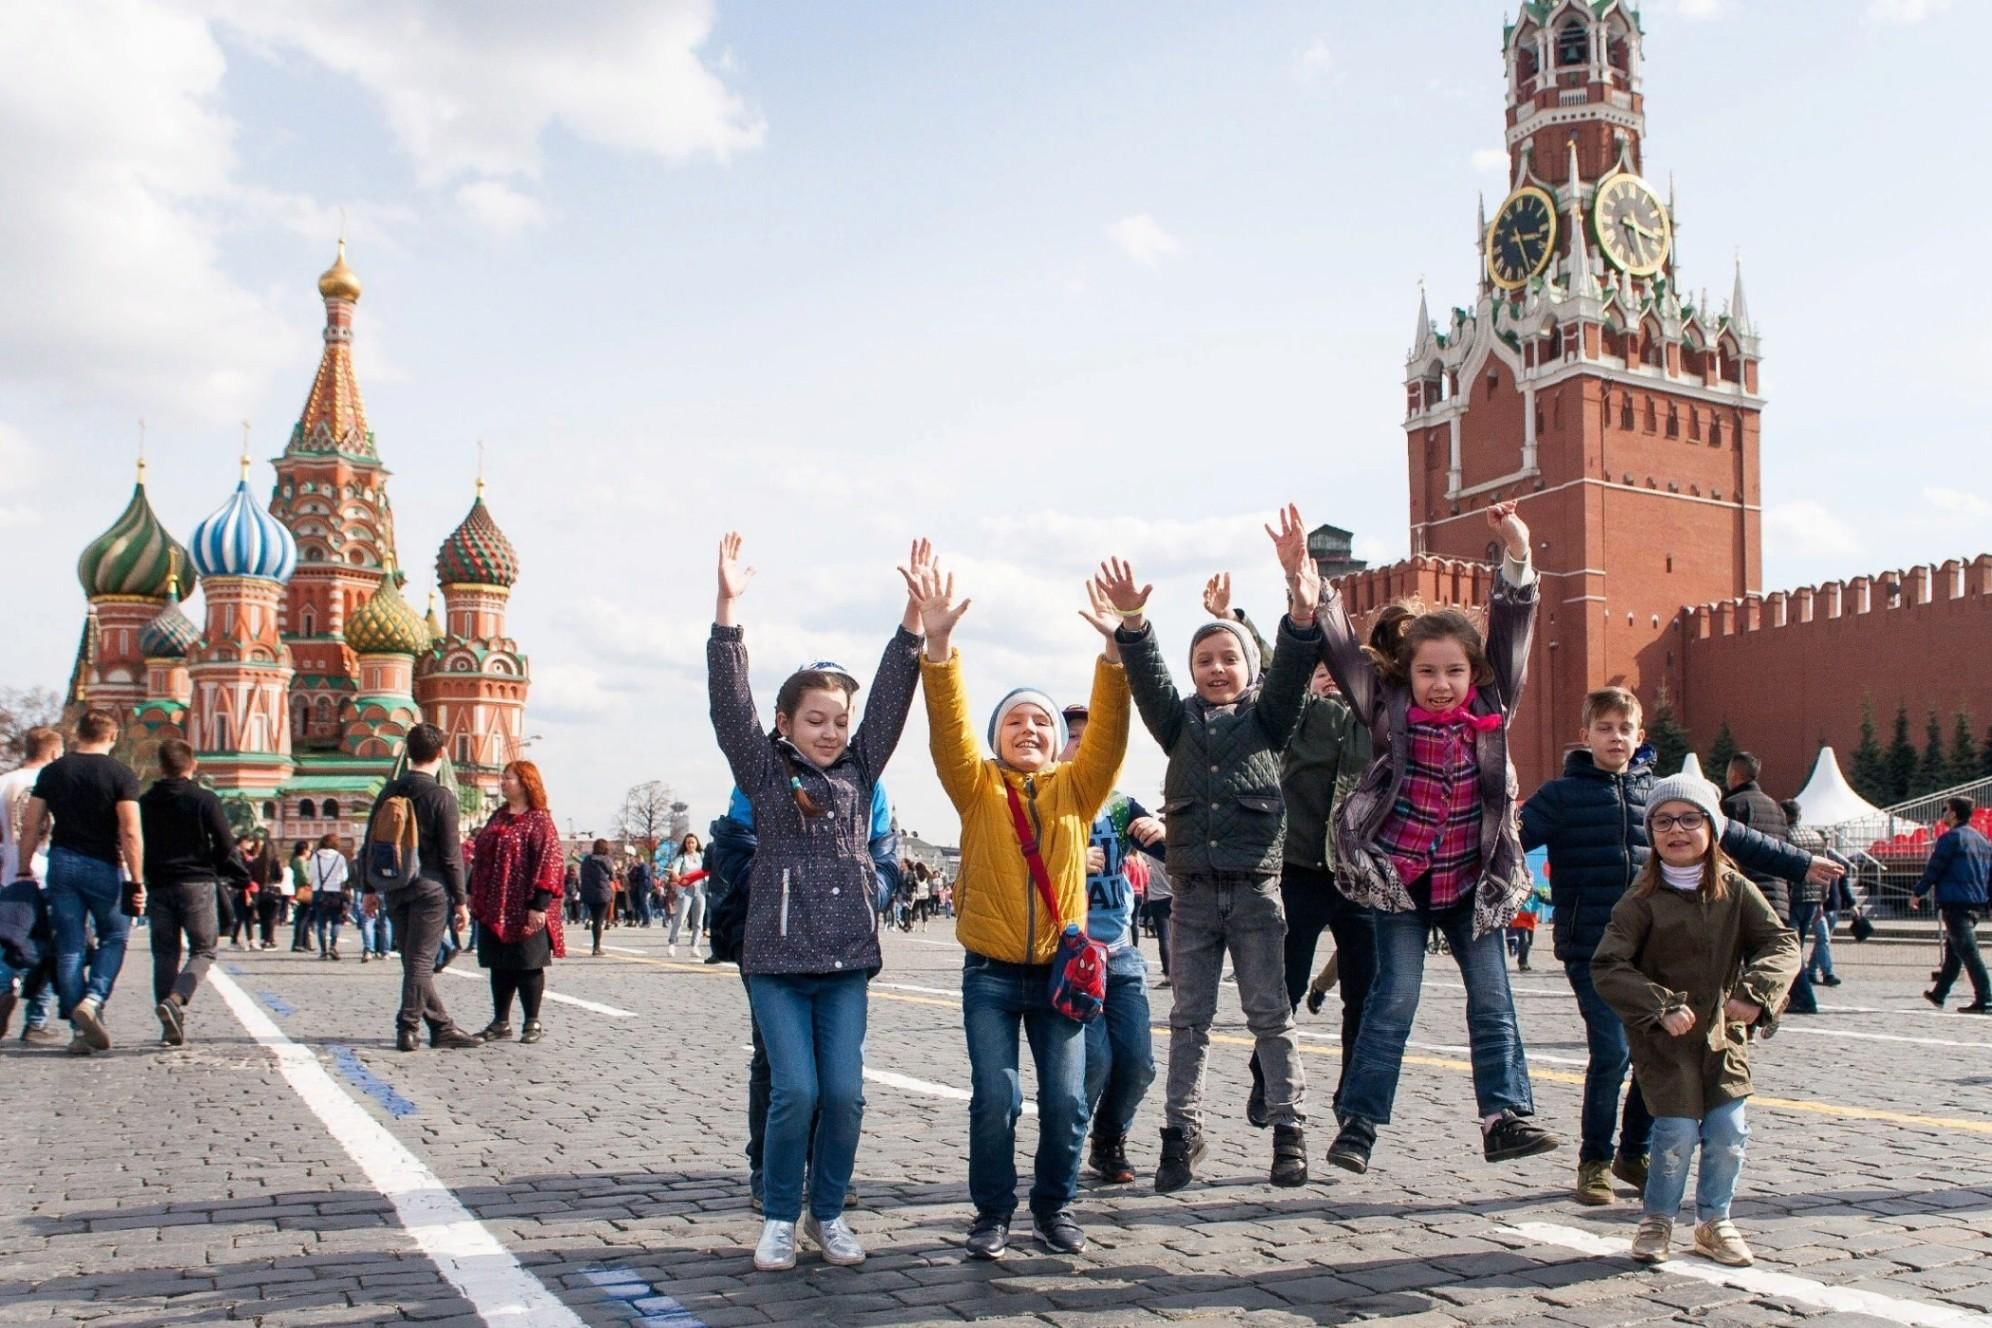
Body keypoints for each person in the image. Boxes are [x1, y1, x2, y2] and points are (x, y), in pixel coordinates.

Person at [1520, 687, 1840, 1206]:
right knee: (1612, 1054)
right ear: (1585, 736)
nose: (1615, 737)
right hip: (1594, 948)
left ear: (1639, 736)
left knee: (1662, 1053)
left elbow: (1733, 833)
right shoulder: (1560, 797)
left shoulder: (1661, 795)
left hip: (1662, 949)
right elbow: (1508, 841)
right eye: (1604, 728)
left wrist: (1801, 863)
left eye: (1625, 729)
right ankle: (1594, 1162)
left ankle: (1633, 1152)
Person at [1315, 501, 1558, 1174]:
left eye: (1454, 671)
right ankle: (1359, 1124)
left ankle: (1503, 1117)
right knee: (1393, 999)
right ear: (1406, 675)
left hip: (1471, 882)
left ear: (1474, 674)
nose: (1442, 684)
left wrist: (1518, 554)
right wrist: (1307, 589)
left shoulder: (1493, 707)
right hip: (1400, 881)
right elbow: (1339, 648)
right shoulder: (1388, 712)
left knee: (1492, 998)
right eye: (1427, 672)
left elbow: (1514, 629)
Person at [710, 532, 926, 1274]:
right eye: (815, 721)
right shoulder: (767, 778)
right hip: (774, 961)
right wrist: (728, 614)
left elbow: (893, 703)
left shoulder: (862, 773)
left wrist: (913, 622)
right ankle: (777, 1217)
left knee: (844, 1094)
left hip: (844, 963)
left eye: (839, 721)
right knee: (793, 1090)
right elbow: (729, 709)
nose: (831, 732)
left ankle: (826, 1213)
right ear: (786, 726)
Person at [919, 558, 1128, 1260]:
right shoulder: (975, 786)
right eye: (1016, 720)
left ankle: (1055, 1208)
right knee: (996, 1102)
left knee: (1068, 1103)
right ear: (997, 734)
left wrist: (1113, 651)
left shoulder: (1076, 790)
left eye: (1041, 720)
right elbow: (947, 727)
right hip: (991, 976)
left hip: (1058, 977)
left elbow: (1106, 738)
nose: (1032, 729)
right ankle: (992, 1214)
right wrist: (940, 649)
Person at [1109, 515, 1322, 1192]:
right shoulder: (1177, 724)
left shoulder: (1269, 719)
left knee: (1270, 1016)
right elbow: (1147, 680)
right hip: (1194, 894)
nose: (1217, 668)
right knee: (1189, 1020)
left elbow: (1293, 662)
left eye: (1228, 658)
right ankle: (1181, 1133)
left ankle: (1290, 1130)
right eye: (1205, 660)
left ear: (1247, 670)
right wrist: (1136, 626)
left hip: (1257, 889)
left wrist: (1298, 599)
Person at [1591, 774, 1799, 1267]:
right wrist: (1658, 1004)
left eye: (1689, 819)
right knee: (1676, 1134)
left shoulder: (1736, 890)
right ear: (1652, 833)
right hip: (1664, 1043)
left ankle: (1714, 1221)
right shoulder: (1639, 901)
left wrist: (1755, 993)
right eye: (1663, 821)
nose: (1676, 830)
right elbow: (1608, 965)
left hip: (1723, 1039)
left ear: (1712, 828)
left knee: (1729, 1130)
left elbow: (1781, 942)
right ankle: (1657, 1219)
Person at [1207, 573, 1376, 1135]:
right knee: (1288, 984)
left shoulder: (1372, 728)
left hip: (1362, 878)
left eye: (1339, 674)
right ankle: (1267, 1077)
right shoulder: (1298, 714)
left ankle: (1354, 1101)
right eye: (1321, 671)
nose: (1329, 680)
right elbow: (1274, 662)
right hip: (1300, 869)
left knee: (1366, 993)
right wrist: (1234, 618)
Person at [1061, 703, 1163, 1189]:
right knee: (1095, 1059)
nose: (1083, 746)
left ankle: (1109, 1138)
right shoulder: (1050, 799)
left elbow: (1172, 849)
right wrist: (1070, 861)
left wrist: (1162, 832)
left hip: (1121, 953)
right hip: (1072, 956)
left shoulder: (1121, 806)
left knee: (1139, 1062)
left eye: (1092, 738)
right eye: (1073, 737)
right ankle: (1066, 1147)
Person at [11, 709, 144, 1056]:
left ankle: (77, 1026)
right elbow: (130, 831)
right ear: (112, 737)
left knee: (69, 945)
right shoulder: (121, 774)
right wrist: (137, 878)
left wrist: (24, 866)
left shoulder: (54, 772)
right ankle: (94, 998)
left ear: (77, 733)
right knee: (114, 937)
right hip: (104, 864)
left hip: (62, 862)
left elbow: (31, 825)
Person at [360, 723, 482, 1052]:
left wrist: (368, 889)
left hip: (395, 885)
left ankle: (441, 1026)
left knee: (413, 960)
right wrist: (460, 901)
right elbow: (451, 855)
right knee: (420, 962)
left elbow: (369, 844)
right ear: (440, 753)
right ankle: (408, 1027)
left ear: (408, 753)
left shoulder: (389, 792)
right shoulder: (441, 797)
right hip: (431, 888)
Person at [137, 739, 246, 1045]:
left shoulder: (146, 801)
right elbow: (225, 844)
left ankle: (168, 1021)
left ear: (161, 765)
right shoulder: (204, 799)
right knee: (204, 949)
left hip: (159, 883)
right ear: (192, 763)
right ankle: (176, 999)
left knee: (164, 953)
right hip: (197, 883)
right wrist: (221, 867)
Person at [469, 761, 565, 1044]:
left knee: (528, 963)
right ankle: (500, 1021)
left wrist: (540, 904)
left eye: (508, 778)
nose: (502, 782)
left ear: (525, 782)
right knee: (499, 964)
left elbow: (550, 862)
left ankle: (532, 1021)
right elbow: (481, 856)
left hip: (525, 904)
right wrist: (470, 891)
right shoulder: (498, 816)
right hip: (495, 903)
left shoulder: (539, 820)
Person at [1720, 755, 1811, 1014]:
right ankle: (1778, 999)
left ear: (1735, 775)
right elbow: (1782, 849)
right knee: (1773, 953)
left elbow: (1729, 853)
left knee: (1735, 960)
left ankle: (1747, 1012)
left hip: (1746, 891)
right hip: (1778, 892)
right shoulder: (1776, 808)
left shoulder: (1732, 805)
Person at [0, 725, 62, 1042]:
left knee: (8, 943)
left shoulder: (4, 783)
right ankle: (36, 1021)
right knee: (49, 947)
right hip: (48, 873)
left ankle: (4, 987)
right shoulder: (55, 783)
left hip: (10, 876)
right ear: (52, 752)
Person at [1911, 796, 1991, 1013]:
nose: (1943, 814)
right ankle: (1939, 994)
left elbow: (1934, 869)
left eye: (1945, 809)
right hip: (1976, 902)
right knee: (1954, 951)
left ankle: (1986, 999)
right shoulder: (1983, 839)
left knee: (1968, 952)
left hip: (1955, 902)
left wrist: (1918, 892)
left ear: (1954, 813)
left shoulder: (1950, 839)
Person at [303, 833, 349, 960]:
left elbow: (311, 875)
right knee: (336, 921)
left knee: (321, 923)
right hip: (335, 892)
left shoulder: (315, 857)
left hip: (320, 892)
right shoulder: (340, 858)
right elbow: (344, 876)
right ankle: (333, 946)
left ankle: (323, 951)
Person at [665, 833, 707, 958]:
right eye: (688, 842)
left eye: (692, 842)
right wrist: (679, 878)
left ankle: (694, 946)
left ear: (697, 844)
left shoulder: (702, 856)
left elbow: (708, 869)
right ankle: (672, 944)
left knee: (698, 921)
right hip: (685, 891)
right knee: (680, 919)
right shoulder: (682, 858)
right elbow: (675, 871)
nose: (690, 845)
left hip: (700, 890)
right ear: (685, 844)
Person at [579, 841, 615, 956]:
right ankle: (596, 947)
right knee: (599, 921)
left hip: (588, 892)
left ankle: (596, 946)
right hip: (602, 892)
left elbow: (582, 874)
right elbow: (612, 875)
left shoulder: (586, 860)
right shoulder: (606, 859)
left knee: (596, 919)